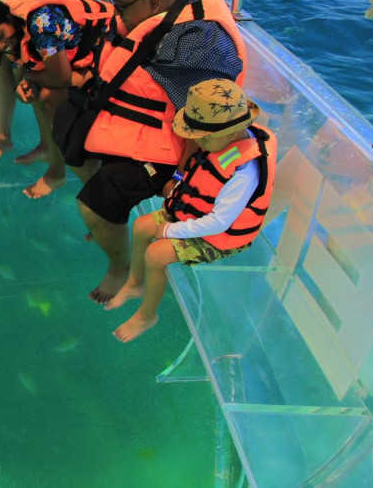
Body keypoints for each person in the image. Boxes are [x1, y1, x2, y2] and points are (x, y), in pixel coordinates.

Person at [71, 0, 247, 304]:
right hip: (133, 126)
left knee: (92, 205)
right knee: (73, 141)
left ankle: (120, 267)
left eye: (120, 7)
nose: (115, 14)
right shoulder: (157, 16)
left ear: (153, 0)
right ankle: (111, 225)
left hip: (169, 149)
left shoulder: (196, 42)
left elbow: (205, 123)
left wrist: (182, 177)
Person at [106, 80, 276, 341]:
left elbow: (220, 222)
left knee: (156, 254)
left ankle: (147, 316)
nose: (197, 142)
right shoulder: (222, 142)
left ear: (231, 134)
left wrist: (172, 229)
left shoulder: (245, 170)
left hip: (221, 234)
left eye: (202, 138)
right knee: (141, 226)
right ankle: (135, 284)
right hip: (196, 214)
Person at [0, 0, 113, 197]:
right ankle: (47, 148)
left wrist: (29, 79)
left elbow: (61, 78)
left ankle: (57, 172)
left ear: (9, 20)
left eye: (1, 36)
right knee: (37, 89)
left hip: (108, 53)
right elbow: (25, 68)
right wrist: (24, 85)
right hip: (85, 55)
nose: (1, 45)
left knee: (47, 96)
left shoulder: (41, 24)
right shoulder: (15, 27)